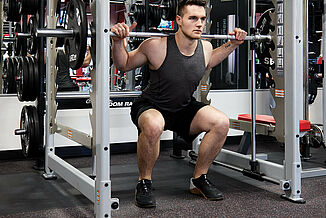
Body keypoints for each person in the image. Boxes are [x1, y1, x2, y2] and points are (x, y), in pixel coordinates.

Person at [111, 0, 247, 208]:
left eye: (202, 19)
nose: (199, 23)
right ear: (179, 20)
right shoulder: (156, 46)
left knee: (220, 122)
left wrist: (234, 44)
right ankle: (144, 182)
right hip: (151, 106)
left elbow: (210, 61)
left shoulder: (206, 47)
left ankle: (198, 179)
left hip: (183, 107)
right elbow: (124, 64)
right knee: (154, 125)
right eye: (193, 18)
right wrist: (117, 41)